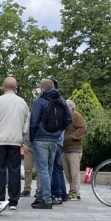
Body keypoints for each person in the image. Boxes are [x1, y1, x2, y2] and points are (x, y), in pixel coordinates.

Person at [0, 77, 29, 210]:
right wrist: (21, 134)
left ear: (3, 87)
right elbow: (27, 124)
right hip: (15, 141)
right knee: (14, 170)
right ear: (16, 88)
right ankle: (13, 200)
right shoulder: (22, 103)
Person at [29, 78, 72, 209]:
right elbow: (68, 119)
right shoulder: (62, 101)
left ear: (42, 89)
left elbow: (33, 121)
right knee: (49, 169)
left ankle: (46, 200)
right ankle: (42, 196)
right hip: (54, 140)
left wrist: (32, 137)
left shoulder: (40, 101)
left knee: (42, 170)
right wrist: (58, 131)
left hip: (40, 139)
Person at [62, 100, 87, 200]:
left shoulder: (76, 115)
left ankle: (75, 193)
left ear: (71, 107)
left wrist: (73, 137)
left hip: (74, 149)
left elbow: (83, 128)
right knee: (68, 174)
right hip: (65, 149)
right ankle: (72, 191)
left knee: (74, 172)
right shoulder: (65, 116)